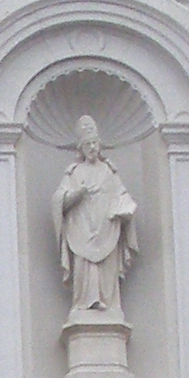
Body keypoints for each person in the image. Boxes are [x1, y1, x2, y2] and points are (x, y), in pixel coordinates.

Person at [51, 115, 137, 316]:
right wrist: (77, 194)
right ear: (80, 148)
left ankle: (109, 303)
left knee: (107, 270)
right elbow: (59, 200)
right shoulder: (74, 172)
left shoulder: (108, 171)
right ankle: (83, 303)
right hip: (81, 229)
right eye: (87, 144)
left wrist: (125, 209)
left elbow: (121, 194)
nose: (92, 147)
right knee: (84, 266)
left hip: (106, 228)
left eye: (94, 143)